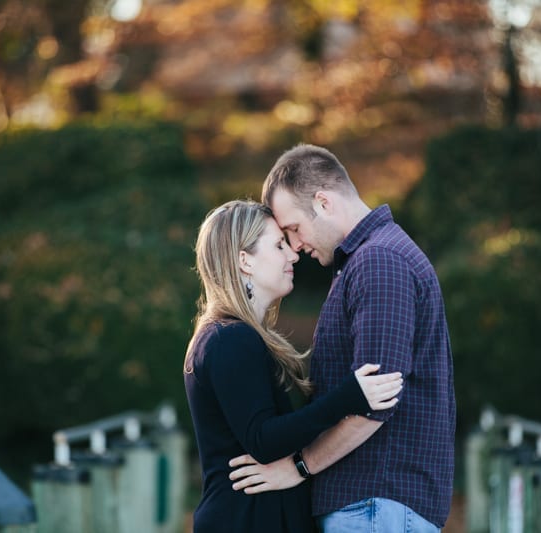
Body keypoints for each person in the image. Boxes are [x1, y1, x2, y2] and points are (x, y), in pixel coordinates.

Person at [229, 144, 456, 532]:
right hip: (373, 506)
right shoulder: (365, 262)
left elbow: (376, 403)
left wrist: (298, 467)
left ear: (323, 202)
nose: (296, 246)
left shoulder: (380, 262)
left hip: (376, 503)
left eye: (295, 229)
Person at [184, 199, 404, 533]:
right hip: (245, 520)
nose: (292, 255)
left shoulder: (230, 336)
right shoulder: (229, 338)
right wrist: (349, 397)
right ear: (245, 260)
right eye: (278, 245)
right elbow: (263, 438)